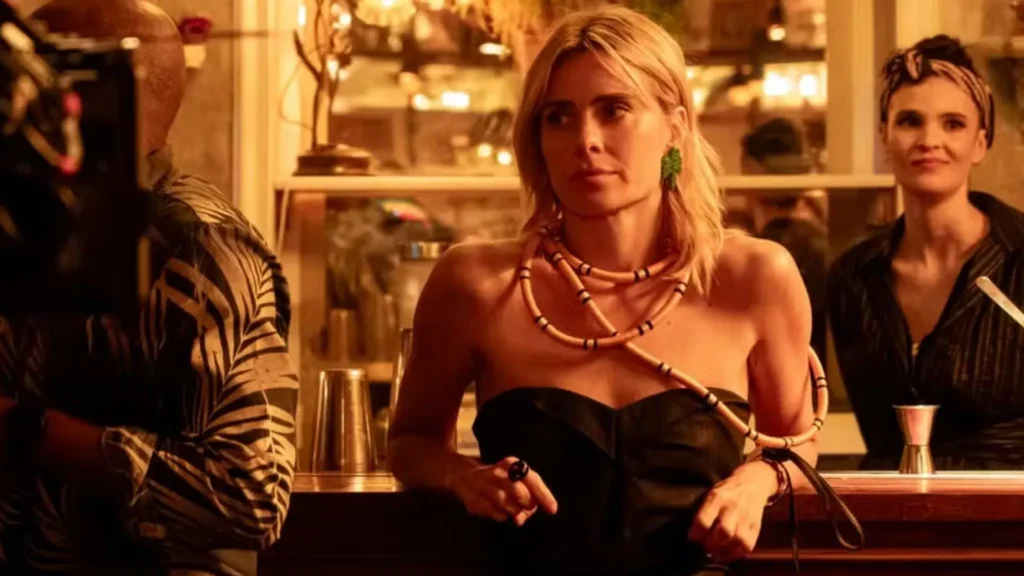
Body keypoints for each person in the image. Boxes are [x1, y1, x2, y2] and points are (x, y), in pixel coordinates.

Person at [388, 6, 836, 574]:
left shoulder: (755, 277)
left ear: (675, 126)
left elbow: (797, 444)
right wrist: (465, 476)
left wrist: (756, 479)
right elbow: (411, 442)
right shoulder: (475, 283)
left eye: (613, 110)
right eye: (559, 117)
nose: (586, 140)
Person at [0, 1, 298, 574]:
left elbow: (249, 497)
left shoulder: (200, 245)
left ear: (100, 96)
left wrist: (27, 430)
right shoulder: (30, 228)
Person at [827, 34, 1024, 469]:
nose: (929, 140)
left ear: (980, 143)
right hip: (887, 506)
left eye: (953, 124)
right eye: (910, 121)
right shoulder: (852, 278)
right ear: (884, 136)